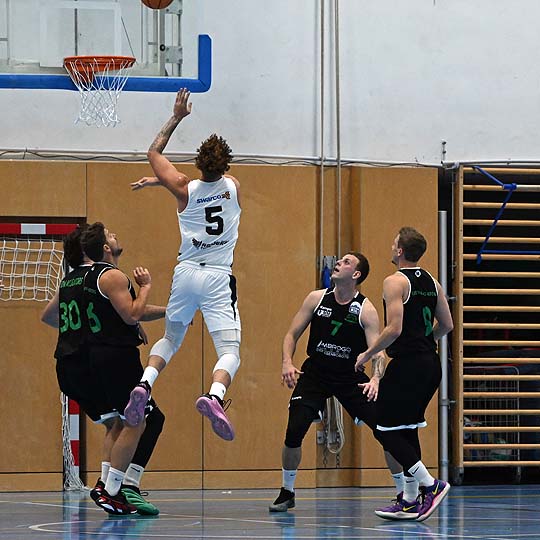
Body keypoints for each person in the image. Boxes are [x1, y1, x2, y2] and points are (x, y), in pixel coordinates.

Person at [124, 88, 241, 442]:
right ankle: (215, 396)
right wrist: (161, 183)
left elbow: (154, 152)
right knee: (229, 351)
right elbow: (210, 189)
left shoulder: (182, 188)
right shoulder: (234, 186)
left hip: (187, 273)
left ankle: (145, 383)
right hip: (218, 276)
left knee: (171, 339)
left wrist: (177, 116)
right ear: (226, 166)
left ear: (197, 162)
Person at [41, 226, 166, 515]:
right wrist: (146, 288)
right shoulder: (107, 275)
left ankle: (107, 485)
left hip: (71, 364)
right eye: (108, 234)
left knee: (116, 423)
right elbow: (132, 312)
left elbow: (48, 316)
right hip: (109, 359)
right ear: (99, 247)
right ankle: (113, 490)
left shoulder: (69, 280)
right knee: (137, 421)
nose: (114, 235)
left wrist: (82, 331)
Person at [269, 252, 403, 513]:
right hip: (315, 374)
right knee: (294, 428)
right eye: (339, 260)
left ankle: (403, 493)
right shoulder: (316, 298)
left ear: (356, 275)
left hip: (349, 377)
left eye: (346, 262)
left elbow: (378, 352)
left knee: (386, 430)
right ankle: (287, 491)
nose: (338, 263)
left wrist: (376, 379)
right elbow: (291, 334)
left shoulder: (366, 309)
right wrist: (287, 362)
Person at [355, 227, 454, 522]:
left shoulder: (395, 281)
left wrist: (368, 353)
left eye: (394, 243)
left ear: (400, 251)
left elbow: (394, 328)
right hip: (430, 364)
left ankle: (430, 484)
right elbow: (446, 325)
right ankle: (410, 500)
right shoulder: (433, 282)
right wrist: (423, 341)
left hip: (408, 365)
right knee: (406, 428)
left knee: (383, 428)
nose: (391, 246)